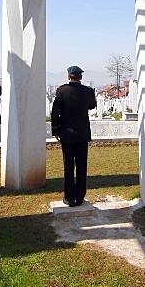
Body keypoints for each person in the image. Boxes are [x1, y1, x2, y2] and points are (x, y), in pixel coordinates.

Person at [50, 65, 96, 207]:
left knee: (68, 166)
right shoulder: (88, 91)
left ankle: (69, 197)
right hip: (82, 134)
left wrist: (56, 130)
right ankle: (80, 197)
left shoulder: (62, 90)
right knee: (82, 166)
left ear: (69, 76)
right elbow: (92, 106)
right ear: (81, 77)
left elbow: (55, 112)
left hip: (67, 134)